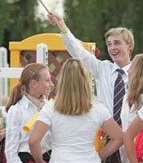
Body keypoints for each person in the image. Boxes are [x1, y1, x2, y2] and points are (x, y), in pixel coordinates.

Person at [48, 13, 134, 163]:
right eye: (109, 44)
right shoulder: (103, 69)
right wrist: (62, 26)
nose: (112, 47)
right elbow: (78, 51)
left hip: (134, 137)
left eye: (117, 43)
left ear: (129, 46)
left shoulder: (139, 72)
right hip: (109, 139)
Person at [29, 58, 122, 163]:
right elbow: (118, 138)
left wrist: (39, 161)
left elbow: (33, 141)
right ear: (85, 80)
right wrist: (99, 156)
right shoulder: (98, 109)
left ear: (63, 80)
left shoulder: (50, 108)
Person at [5, 63, 53, 163]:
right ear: (34, 83)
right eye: (47, 80)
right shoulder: (16, 110)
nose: (52, 84)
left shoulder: (50, 107)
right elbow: (11, 151)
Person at [121, 54, 143, 163]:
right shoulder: (127, 96)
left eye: (131, 67)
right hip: (126, 155)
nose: (128, 71)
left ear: (139, 72)